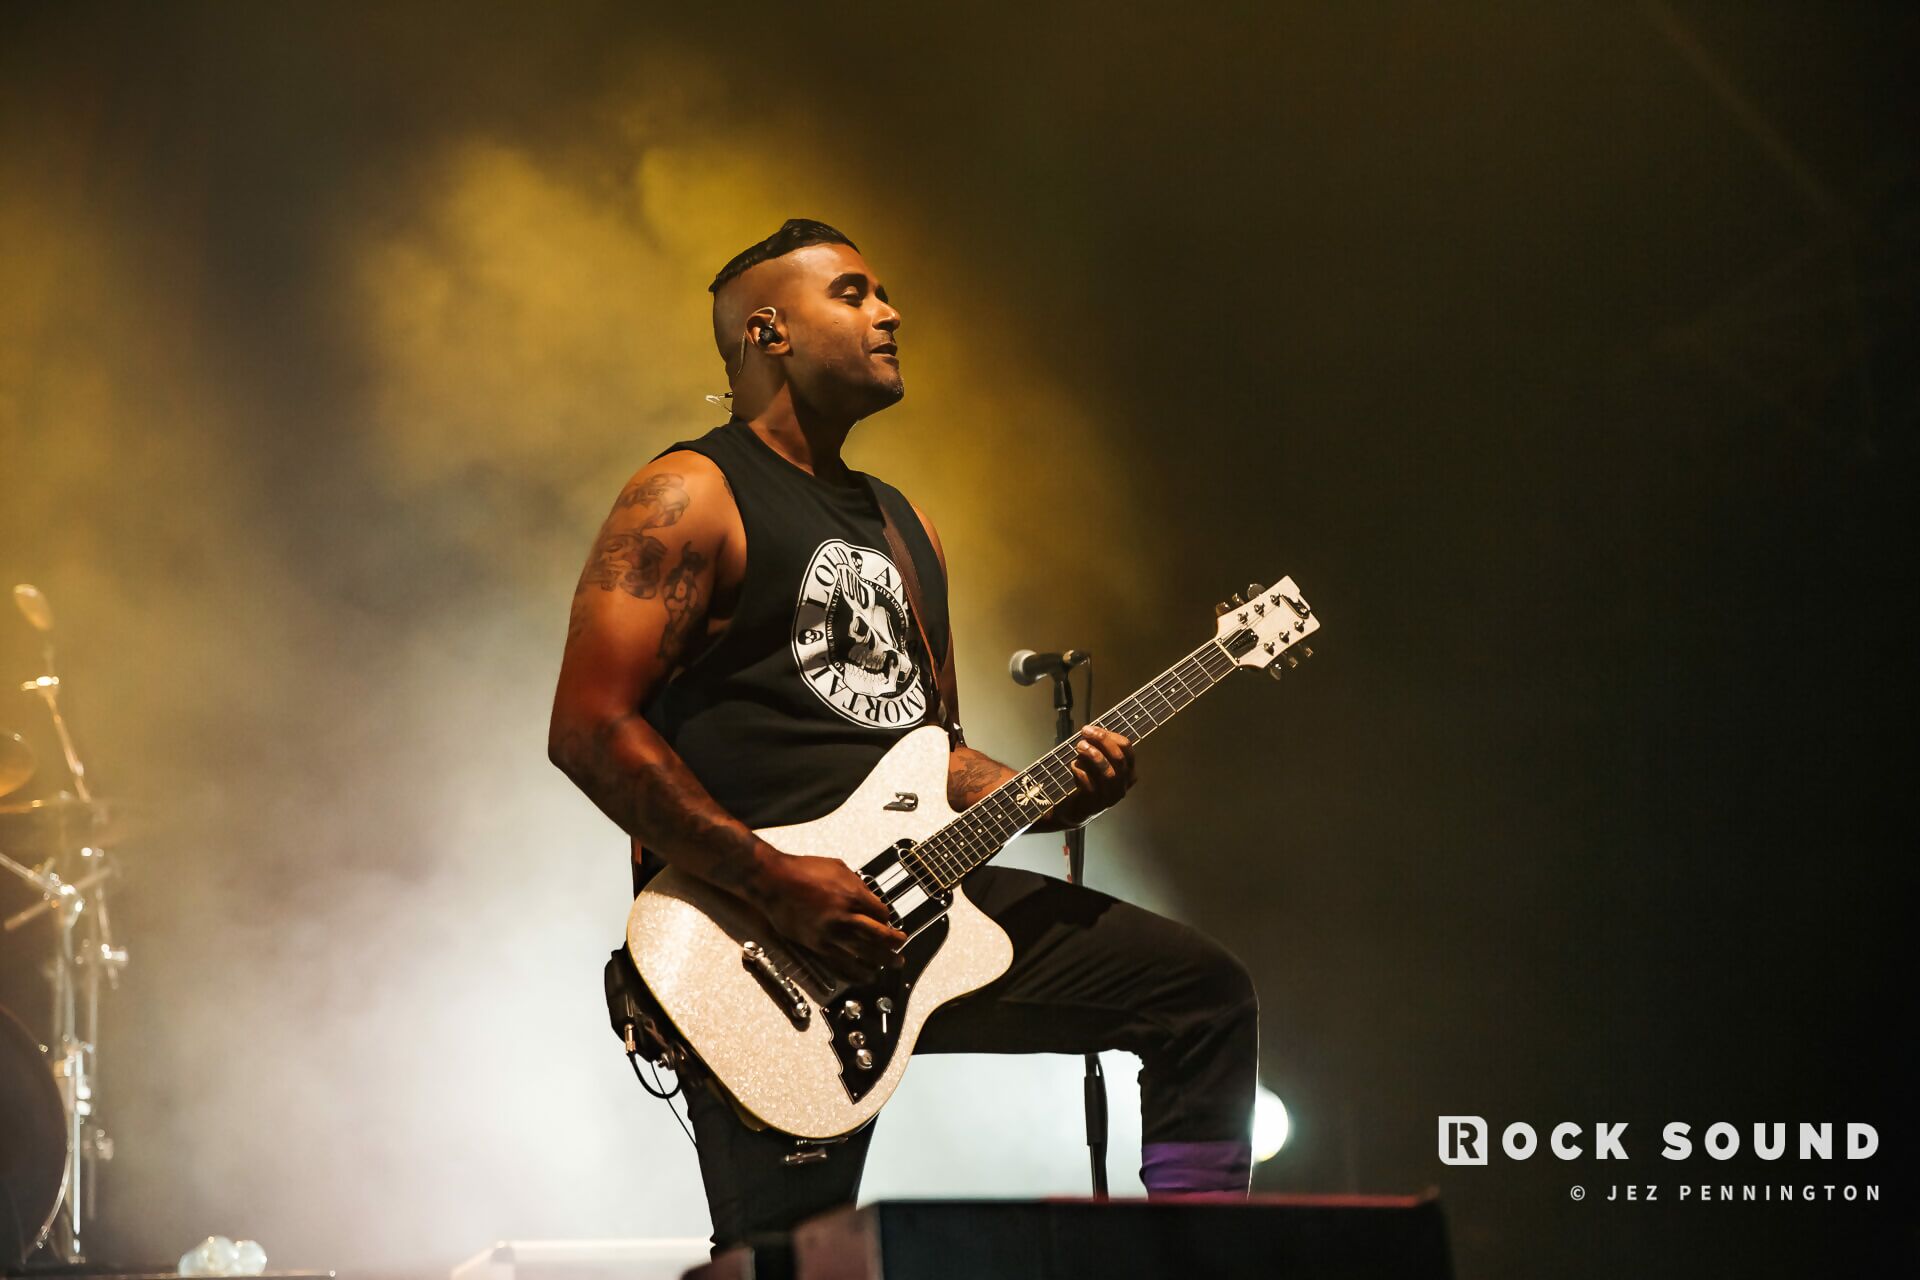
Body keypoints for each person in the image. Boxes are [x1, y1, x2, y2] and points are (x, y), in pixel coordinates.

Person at [548, 219, 1259, 1250]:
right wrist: (773, 882)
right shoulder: (689, 493)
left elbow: (938, 751)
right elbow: (588, 726)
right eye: (853, 293)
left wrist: (1048, 790)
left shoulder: (902, 525)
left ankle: (1212, 1266)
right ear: (767, 332)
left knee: (1199, 996)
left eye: (883, 294)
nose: (888, 313)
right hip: (755, 946)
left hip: (921, 908)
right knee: (792, 1260)